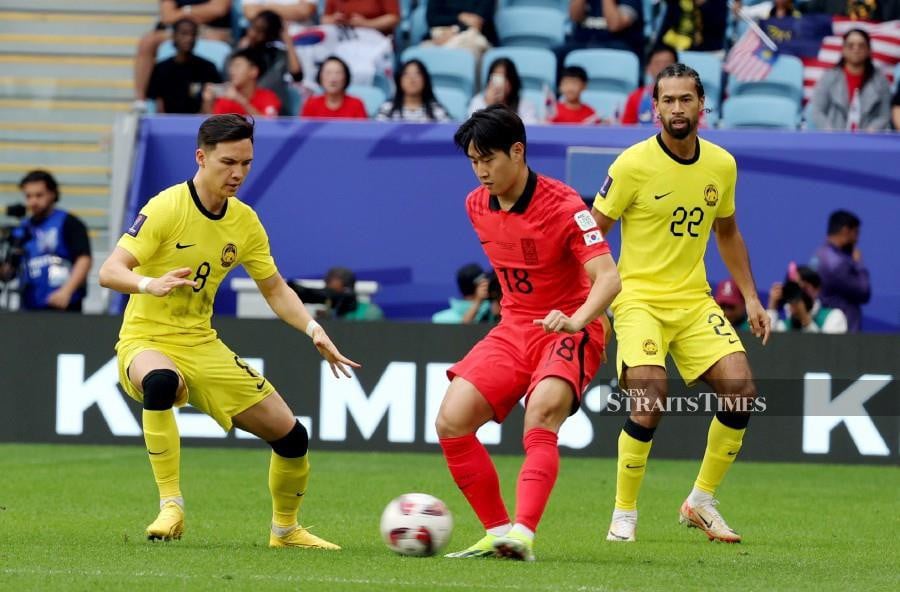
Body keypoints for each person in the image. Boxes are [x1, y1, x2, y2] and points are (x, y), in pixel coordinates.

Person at [97, 114, 358, 549]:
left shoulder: (245, 222)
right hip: (146, 339)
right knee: (161, 382)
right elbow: (110, 271)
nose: (237, 173)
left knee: (291, 435)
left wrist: (312, 328)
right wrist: (149, 283)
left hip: (202, 344)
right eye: (227, 162)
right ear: (201, 157)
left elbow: (275, 289)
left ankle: (286, 530)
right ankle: (171, 505)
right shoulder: (166, 207)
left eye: (247, 163)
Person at [591, 63, 771, 544]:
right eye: (667, 100)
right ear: (654, 109)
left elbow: (727, 232)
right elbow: (591, 234)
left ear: (701, 106)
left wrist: (751, 296)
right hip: (638, 299)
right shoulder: (631, 164)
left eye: (685, 99)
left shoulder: (721, 165)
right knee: (650, 397)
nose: (676, 108)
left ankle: (701, 501)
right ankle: (624, 514)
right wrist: (592, 302)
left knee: (741, 387)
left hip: (694, 300)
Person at [437, 105, 621, 561]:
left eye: (489, 159)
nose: (481, 172)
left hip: (570, 327)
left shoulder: (564, 207)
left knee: (540, 416)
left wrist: (579, 320)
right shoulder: (475, 204)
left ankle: (524, 533)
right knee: (451, 422)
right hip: (515, 327)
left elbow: (609, 278)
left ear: (517, 152)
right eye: (474, 162)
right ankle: (498, 532)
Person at [0, 170, 91, 312]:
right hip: (29, 306)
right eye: (28, 196)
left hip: (65, 306)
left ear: (52, 194)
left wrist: (66, 291)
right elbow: (8, 272)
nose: (33, 201)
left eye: (39, 195)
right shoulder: (22, 229)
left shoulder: (69, 222)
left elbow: (84, 259)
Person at [133, 0, 233, 107]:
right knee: (148, 41)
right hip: (177, 28)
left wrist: (184, 11)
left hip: (212, 30)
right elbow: (167, 17)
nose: (189, 39)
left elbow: (219, 9)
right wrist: (197, 14)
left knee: (218, 39)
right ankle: (141, 101)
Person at [810, 29, 892, 131]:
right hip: (833, 140)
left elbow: (884, 115)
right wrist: (830, 132)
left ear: (869, 50)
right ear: (843, 50)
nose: (856, 49)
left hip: (869, 141)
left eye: (861, 45)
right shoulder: (829, 77)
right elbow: (817, 111)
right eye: (851, 45)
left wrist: (871, 131)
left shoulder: (880, 80)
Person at [809, 210, 870, 332]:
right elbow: (864, 291)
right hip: (842, 334)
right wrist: (859, 264)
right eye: (856, 233)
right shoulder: (838, 264)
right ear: (845, 231)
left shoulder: (818, 255)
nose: (857, 240)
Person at [147, 18, 223, 114]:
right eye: (184, 34)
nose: (189, 38)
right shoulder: (161, 68)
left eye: (193, 34)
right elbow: (158, 103)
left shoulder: (208, 67)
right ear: (174, 36)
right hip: (169, 122)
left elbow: (217, 98)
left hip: (201, 123)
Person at [238, 10, 304, 114]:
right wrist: (242, 51)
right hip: (242, 111)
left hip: (272, 111)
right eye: (253, 27)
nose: (253, 34)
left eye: (260, 31)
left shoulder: (279, 55)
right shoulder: (240, 54)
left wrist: (288, 41)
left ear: (271, 35)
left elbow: (297, 75)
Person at [203, 48, 283, 117]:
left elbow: (269, 127)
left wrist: (240, 100)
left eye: (237, 66)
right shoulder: (225, 100)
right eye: (231, 67)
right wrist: (208, 103)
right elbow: (213, 128)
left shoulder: (268, 97)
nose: (231, 71)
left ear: (253, 71)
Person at [767, 266, 848, 333]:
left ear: (817, 290)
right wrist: (772, 306)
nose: (799, 295)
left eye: (804, 288)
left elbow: (828, 350)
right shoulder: (784, 325)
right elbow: (765, 346)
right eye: (795, 289)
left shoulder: (834, 317)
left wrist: (805, 319)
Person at [376, 59, 452, 122]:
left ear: (425, 79)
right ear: (399, 80)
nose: (412, 79)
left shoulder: (436, 110)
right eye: (406, 74)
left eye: (417, 74)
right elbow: (377, 134)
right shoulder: (387, 109)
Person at [467, 58, 539, 124]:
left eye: (504, 78)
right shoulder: (478, 102)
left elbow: (530, 129)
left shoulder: (525, 106)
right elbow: (473, 128)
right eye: (496, 78)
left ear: (512, 81)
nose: (500, 85)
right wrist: (489, 106)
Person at [621, 45, 678, 126]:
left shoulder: (689, 97)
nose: (662, 67)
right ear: (648, 68)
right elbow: (625, 130)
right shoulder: (635, 97)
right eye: (657, 63)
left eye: (667, 63)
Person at [301, 56, 368, 119]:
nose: (333, 79)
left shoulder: (356, 104)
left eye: (338, 73)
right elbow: (303, 130)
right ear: (320, 77)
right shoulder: (311, 104)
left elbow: (363, 130)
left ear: (346, 77)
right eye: (328, 73)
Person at [242, 0, 318, 37]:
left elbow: (306, 11)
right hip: (266, 39)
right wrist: (291, 10)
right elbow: (251, 13)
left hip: (301, 38)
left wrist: (269, 7)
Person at [321, 0, 400, 36]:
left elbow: (393, 18)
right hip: (342, 40)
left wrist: (367, 24)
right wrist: (334, 19)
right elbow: (324, 19)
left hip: (375, 41)